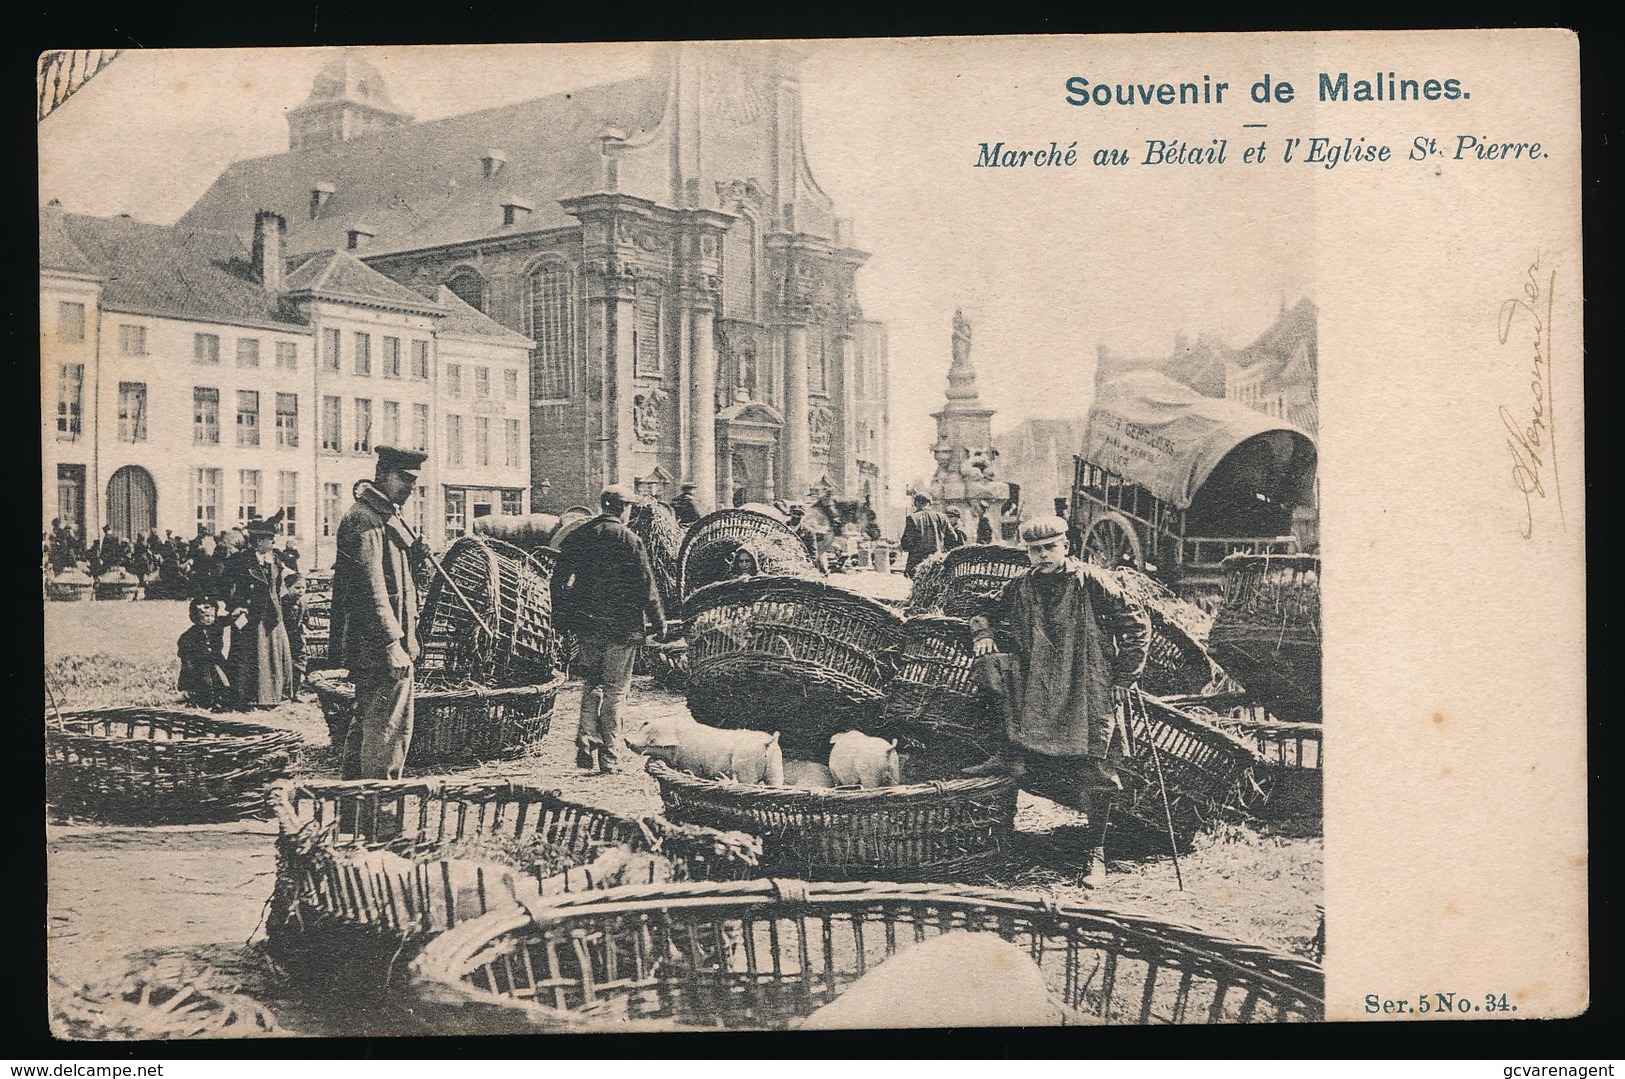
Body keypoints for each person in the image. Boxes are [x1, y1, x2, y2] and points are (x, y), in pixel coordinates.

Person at [961, 515, 1151, 887]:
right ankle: (1007, 775)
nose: (1043, 555)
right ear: (1027, 552)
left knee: (1095, 769)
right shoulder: (1020, 586)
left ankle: (1095, 854)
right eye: (1035, 550)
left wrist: (1125, 678)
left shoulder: (1094, 581)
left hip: (1087, 681)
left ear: (1066, 546)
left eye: (1050, 547)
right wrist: (982, 633)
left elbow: (1137, 626)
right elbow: (982, 610)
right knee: (1001, 704)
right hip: (1039, 684)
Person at [551, 484, 667, 775]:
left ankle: (586, 739)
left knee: (591, 683)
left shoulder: (579, 535)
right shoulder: (629, 539)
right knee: (615, 691)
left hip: (587, 625)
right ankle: (610, 756)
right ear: (624, 509)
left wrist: (565, 616)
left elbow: (559, 580)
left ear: (603, 506)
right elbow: (645, 585)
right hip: (622, 626)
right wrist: (658, 621)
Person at [332, 446, 433, 780]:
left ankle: (355, 814)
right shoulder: (364, 519)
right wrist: (391, 642)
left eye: (413, 482)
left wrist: (416, 558)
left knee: (367, 727)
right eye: (403, 479)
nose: (409, 488)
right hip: (380, 647)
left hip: (385, 645)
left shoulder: (388, 517)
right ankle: (380, 817)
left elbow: (401, 584)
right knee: (387, 733)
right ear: (383, 473)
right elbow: (368, 588)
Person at [223, 511, 296, 708]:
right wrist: (235, 606)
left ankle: (274, 694)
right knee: (250, 654)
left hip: (272, 615)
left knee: (274, 653)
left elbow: (284, 583)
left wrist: (286, 599)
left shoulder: (277, 559)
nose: (272, 543)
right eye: (269, 539)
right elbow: (225, 585)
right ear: (258, 541)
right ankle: (249, 695)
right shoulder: (239, 560)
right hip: (249, 615)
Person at [177, 598, 233, 710]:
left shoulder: (217, 625)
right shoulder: (189, 634)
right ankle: (203, 700)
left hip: (216, 660)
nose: (209, 619)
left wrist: (237, 613)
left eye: (212, 616)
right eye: (205, 616)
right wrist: (188, 666)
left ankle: (222, 699)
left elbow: (228, 619)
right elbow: (184, 651)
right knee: (205, 682)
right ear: (195, 618)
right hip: (200, 663)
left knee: (225, 678)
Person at [899, 493, 959, 577]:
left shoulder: (912, 518)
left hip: (918, 564)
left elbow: (906, 543)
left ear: (916, 503)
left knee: (919, 588)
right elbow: (953, 538)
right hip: (937, 561)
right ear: (930, 503)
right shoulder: (942, 517)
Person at [282, 572, 308, 697]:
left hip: (298, 638)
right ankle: (285, 692)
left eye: (303, 588)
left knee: (300, 663)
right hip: (286, 637)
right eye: (297, 588)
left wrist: (305, 628)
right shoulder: (283, 603)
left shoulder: (303, 602)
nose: (300, 591)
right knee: (286, 664)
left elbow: (305, 619)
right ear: (288, 588)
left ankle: (295, 692)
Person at [786, 505, 826, 574]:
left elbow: (813, 552)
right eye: (794, 513)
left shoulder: (809, 532)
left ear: (803, 516)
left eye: (799, 514)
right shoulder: (782, 526)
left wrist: (807, 565)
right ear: (790, 513)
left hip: (799, 562)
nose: (796, 516)